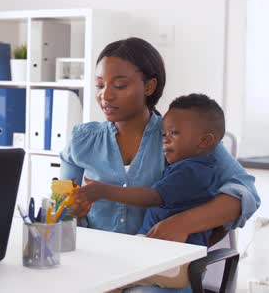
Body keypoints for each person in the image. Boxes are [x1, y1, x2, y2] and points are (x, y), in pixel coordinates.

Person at [60, 37, 260, 293]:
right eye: (99, 85)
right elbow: (60, 213)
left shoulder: (182, 139)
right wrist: (71, 212)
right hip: (95, 264)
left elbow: (246, 195)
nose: (105, 95)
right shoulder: (82, 140)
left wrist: (183, 223)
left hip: (158, 273)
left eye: (119, 85)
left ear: (149, 86)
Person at [76, 93, 228, 290]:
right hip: (167, 258)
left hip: (173, 264)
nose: (165, 140)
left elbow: (153, 196)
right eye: (164, 134)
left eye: (174, 133)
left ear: (205, 141)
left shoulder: (191, 172)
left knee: (108, 280)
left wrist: (102, 190)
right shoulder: (196, 168)